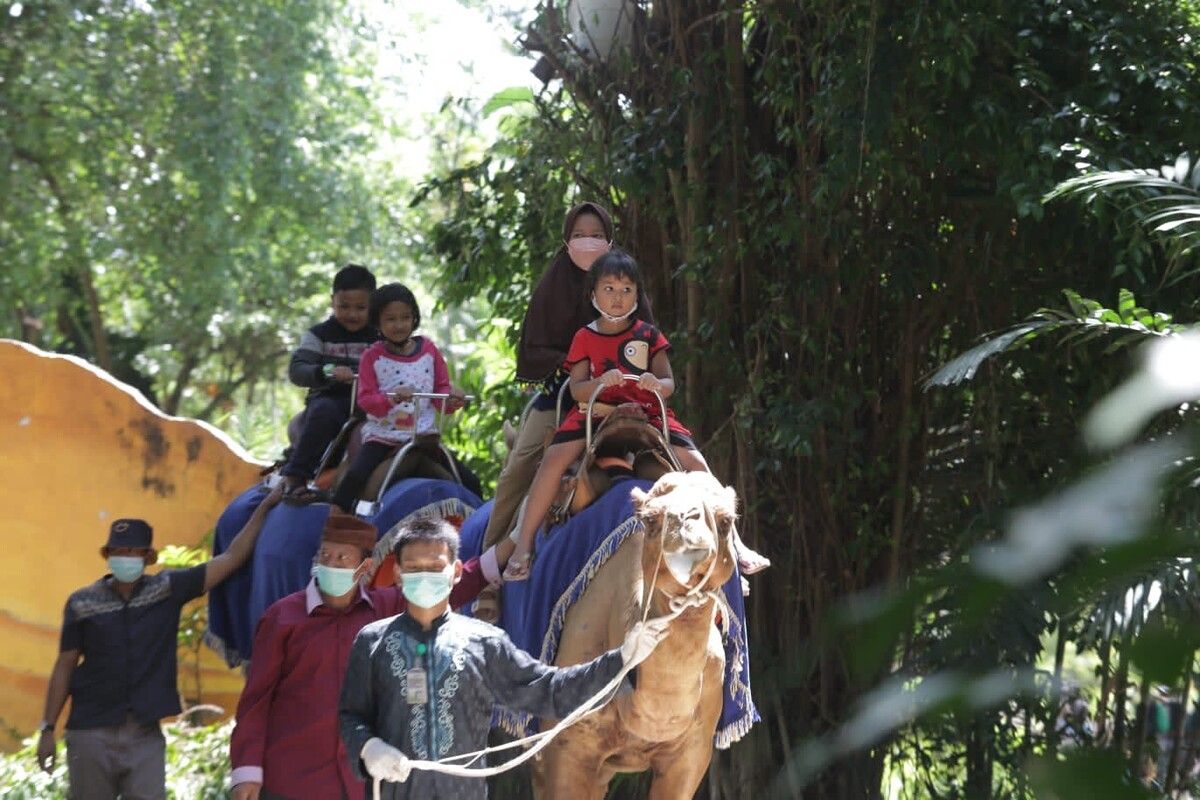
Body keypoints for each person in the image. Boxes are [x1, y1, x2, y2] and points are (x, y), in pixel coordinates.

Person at [337, 517, 670, 799]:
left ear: (455, 571)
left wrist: (622, 660)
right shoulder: (372, 642)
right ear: (397, 574)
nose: (425, 576)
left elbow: (549, 690)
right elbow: (351, 715)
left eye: (435, 567)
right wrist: (368, 748)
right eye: (414, 568)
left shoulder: (484, 643)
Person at [504, 249, 769, 581]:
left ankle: (736, 544)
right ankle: (523, 546)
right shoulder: (584, 337)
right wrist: (600, 383)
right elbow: (578, 389)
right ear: (593, 293)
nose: (618, 297)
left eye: (626, 289)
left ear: (637, 295)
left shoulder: (648, 334)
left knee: (698, 464)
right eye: (609, 289)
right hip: (596, 413)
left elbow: (669, 383)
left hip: (647, 412)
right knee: (553, 460)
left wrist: (655, 383)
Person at [229, 510, 517, 800]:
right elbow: (256, 700)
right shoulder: (282, 618)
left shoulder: (385, 609)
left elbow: (451, 586)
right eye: (325, 556)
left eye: (342, 558)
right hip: (291, 782)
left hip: (362, 784)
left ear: (364, 567)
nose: (331, 564)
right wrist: (246, 771)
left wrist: (516, 539)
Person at [36, 486, 284, 799]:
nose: (126, 557)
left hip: (144, 734)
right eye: (119, 551)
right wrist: (47, 728)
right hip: (90, 732)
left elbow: (232, 558)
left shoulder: (166, 589)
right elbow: (65, 664)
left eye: (133, 551)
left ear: (147, 557)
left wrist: (266, 507)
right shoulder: (82, 602)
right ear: (108, 555)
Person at [473, 201, 655, 620]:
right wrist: (574, 367)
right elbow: (535, 349)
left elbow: (650, 346)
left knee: (670, 453)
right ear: (566, 240)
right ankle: (488, 575)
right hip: (564, 397)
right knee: (520, 465)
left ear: (610, 240)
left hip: (623, 399)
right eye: (579, 235)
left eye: (596, 235)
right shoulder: (552, 286)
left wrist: (641, 382)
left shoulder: (625, 283)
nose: (588, 242)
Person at [329, 283, 478, 512]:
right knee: (354, 477)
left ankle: (485, 524)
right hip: (384, 436)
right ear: (377, 322)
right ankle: (336, 519)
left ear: (414, 318)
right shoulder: (372, 357)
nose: (399, 325)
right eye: (390, 319)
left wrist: (452, 399)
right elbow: (365, 400)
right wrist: (392, 399)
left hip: (424, 435)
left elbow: (440, 394)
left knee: (471, 482)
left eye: (405, 317)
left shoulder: (429, 350)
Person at [281, 264, 379, 504]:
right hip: (331, 398)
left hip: (373, 404)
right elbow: (297, 369)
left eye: (361, 308)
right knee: (325, 412)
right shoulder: (319, 335)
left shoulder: (380, 337)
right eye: (344, 306)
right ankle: (296, 477)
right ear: (332, 301)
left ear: (373, 305)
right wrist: (327, 372)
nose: (352, 314)